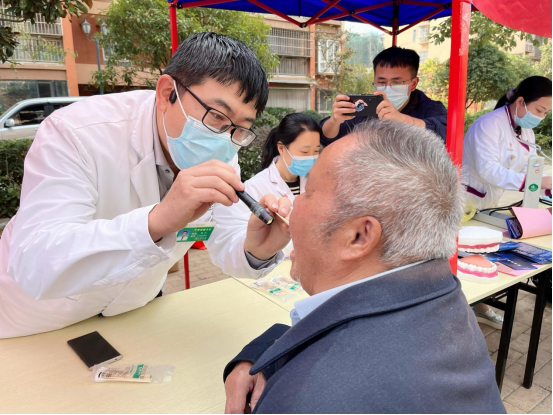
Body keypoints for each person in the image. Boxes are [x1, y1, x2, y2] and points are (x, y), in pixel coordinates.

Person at [0, 33, 292, 339]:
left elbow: (221, 237)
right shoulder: (76, 132)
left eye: (240, 128)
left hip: (131, 312)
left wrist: (255, 250)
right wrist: (158, 221)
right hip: (38, 319)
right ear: (167, 93)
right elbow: (36, 263)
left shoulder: (223, 151)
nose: (224, 139)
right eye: (216, 116)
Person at [223, 120, 505, 415]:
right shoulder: (439, 295)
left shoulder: (307, 398)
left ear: (359, 236)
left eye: (308, 193)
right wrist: (263, 357)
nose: (291, 205)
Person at [321, 46, 448, 146]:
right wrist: (334, 121)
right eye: (381, 82)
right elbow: (327, 138)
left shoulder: (430, 108)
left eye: (397, 82)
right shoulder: (366, 105)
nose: (388, 88)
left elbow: (445, 134)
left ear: (413, 83)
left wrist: (402, 119)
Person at [463, 76, 553, 212]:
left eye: (546, 113)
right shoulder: (488, 124)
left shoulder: (527, 132)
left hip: (487, 203)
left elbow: (530, 167)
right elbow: (488, 169)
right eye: (539, 110)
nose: (541, 117)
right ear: (520, 102)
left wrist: (548, 187)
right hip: (466, 200)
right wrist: (532, 182)